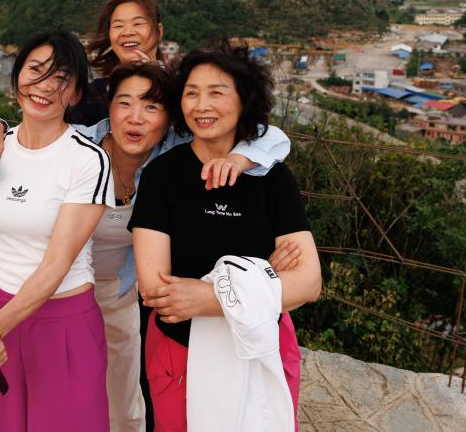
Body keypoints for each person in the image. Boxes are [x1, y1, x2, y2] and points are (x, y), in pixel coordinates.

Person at [0, 62, 299, 431]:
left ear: (170, 119)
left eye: (151, 107)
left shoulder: (174, 160)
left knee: (123, 403)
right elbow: (33, 129)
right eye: (124, 104)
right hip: (58, 290)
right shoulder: (81, 147)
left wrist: (239, 158)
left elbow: (273, 138)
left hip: (121, 292)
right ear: (109, 108)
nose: (136, 118)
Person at [130, 45, 322, 431]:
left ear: (243, 100)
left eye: (217, 92)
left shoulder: (273, 180)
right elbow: (157, 292)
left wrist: (208, 295)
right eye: (191, 92)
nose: (202, 104)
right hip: (179, 351)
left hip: (260, 348)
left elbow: (309, 282)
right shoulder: (162, 177)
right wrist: (264, 275)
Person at [0, 29, 114, 432]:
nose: (44, 87)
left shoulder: (87, 161)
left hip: (63, 322)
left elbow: (57, 263)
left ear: (76, 94)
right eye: (36, 71)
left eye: (61, 80)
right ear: (17, 75)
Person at [69, 0, 165, 126]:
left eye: (138, 23)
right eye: (118, 26)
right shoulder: (92, 96)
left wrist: (159, 82)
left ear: (159, 31)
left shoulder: (182, 89)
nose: (127, 32)